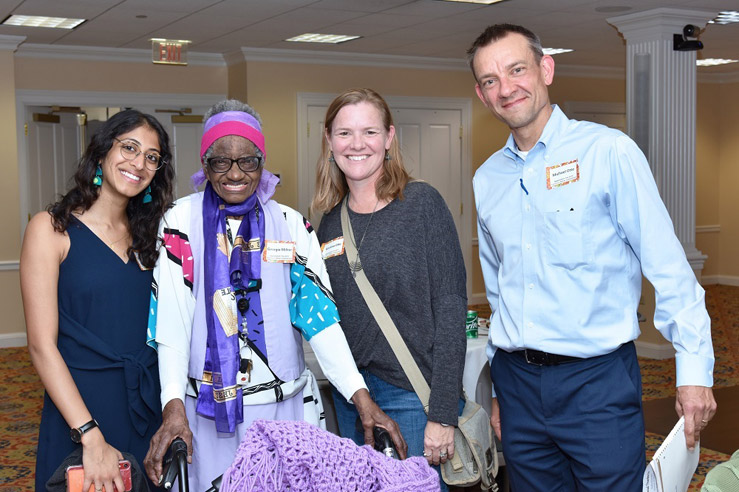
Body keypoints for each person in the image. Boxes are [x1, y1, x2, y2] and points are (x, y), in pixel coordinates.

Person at [467, 23, 717, 491]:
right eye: (489, 80)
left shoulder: (608, 152)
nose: (505, 88)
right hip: (518, 384)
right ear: (481, 96)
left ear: (546, 69)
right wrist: (499, 391)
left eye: (517, 69)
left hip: (596, 383)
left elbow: (669, 268)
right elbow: (501, 291)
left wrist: (694, 372)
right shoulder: (487, 179)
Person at [142, 99, 406, 491]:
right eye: (220, 161)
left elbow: (321, 321)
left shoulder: (292, 226)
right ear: (205, 163)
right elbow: (172, 326)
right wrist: (172, 406)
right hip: (205, 416)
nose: (235, 173)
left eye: (247, 160)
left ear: (262, 162)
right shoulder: (180, 222)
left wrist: (360, 396)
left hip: (285, 413)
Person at [312, 88, 467, 491]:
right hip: (353, 400)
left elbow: (451, 309)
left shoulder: (421, 204)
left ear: (389, 138)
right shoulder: (329, 224)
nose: (357, 144)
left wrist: (443, 413)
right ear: (329, 141)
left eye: (370, 132)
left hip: (414, 398)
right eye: (345, 133)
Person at [20, 109, 175, 492]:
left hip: (145, 404)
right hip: (79, 408)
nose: (138, 163)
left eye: (151, 157)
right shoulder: (51, 229)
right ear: (103, 152)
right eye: (129, 148)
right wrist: (89, 435)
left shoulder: (156, 235)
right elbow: (41, 346)